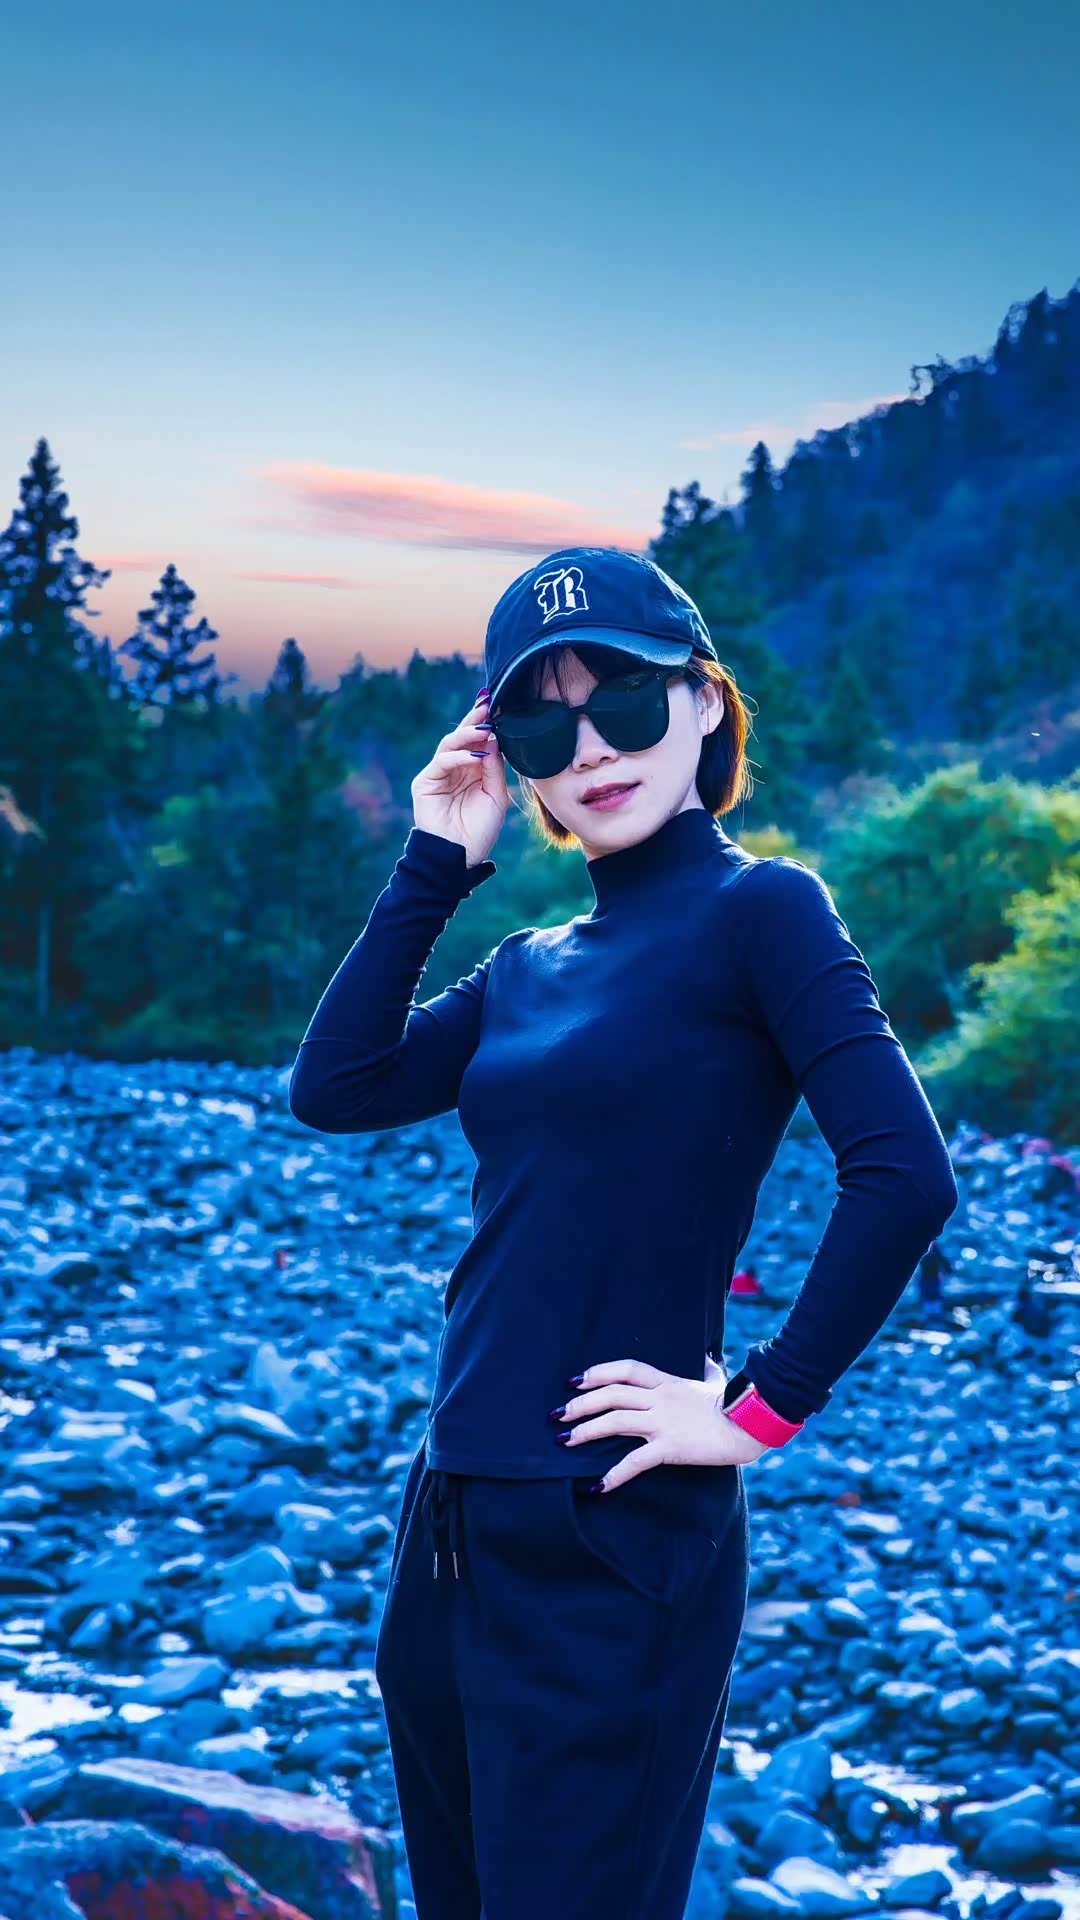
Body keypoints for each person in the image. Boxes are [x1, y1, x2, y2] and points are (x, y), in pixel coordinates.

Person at [288, 546, 959, 1920]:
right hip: (451, 1522)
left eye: (628, 702)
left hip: (614, 1529)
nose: (590, 748)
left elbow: (904, 1174)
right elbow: (336, 1086)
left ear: (704, 704)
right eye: (543, 725)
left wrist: (759, 1409)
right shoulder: (527, 967)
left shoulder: (763, 911)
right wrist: (436, 860)